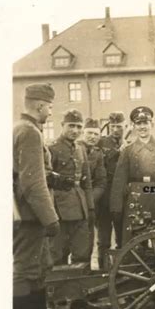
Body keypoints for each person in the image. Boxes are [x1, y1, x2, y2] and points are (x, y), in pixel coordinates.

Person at [13, 83, 67, 309]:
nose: (50, 112)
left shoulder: (25, 129)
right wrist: (51, 218)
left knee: (40, 268)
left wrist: (55, 178)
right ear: (39, 105)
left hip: (30, 213)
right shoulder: (29, 132)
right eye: (49, 107)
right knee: (25, 270)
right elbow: (31, 183)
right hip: (29, 216)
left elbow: (35, 174)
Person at [110, 107, 155, 244]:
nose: (142, 127)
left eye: (145, 123)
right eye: (138, 124)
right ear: (134, 127)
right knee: (135, 239)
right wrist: (116, 208)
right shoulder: (128, 151)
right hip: (136, 199)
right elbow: (119, 180)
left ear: (151, 125)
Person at [48, 109, 94, 267]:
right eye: (71, 126)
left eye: (79, 126)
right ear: (62, 125)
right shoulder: (52, 148)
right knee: (58, 253)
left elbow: (86, 181)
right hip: (59, 208)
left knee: (82, 252)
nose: (75, 130)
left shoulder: (80, 148)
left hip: (80, 206)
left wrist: (90, 206)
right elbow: (46, 178)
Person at [96, 112, 126, 268]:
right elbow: (100, 164)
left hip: (122, 196)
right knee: (104, 238)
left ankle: (121, 270)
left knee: (123, 237)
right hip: (105, 198)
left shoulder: (129, 142)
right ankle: (103, 269)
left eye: (119, 126)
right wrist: (119, 151)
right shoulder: (101, 143)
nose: (116, 130)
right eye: (113, 126)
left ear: (125, 126)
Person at [77, 118, 107, 264]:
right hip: (69, 203)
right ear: (83, 133)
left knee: (87, 244)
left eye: (96, 134)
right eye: (89, 133)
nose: (92, 137)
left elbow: (101, 182)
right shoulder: (75, 148)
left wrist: (90, 201)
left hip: (90, 204)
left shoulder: (98, 153)